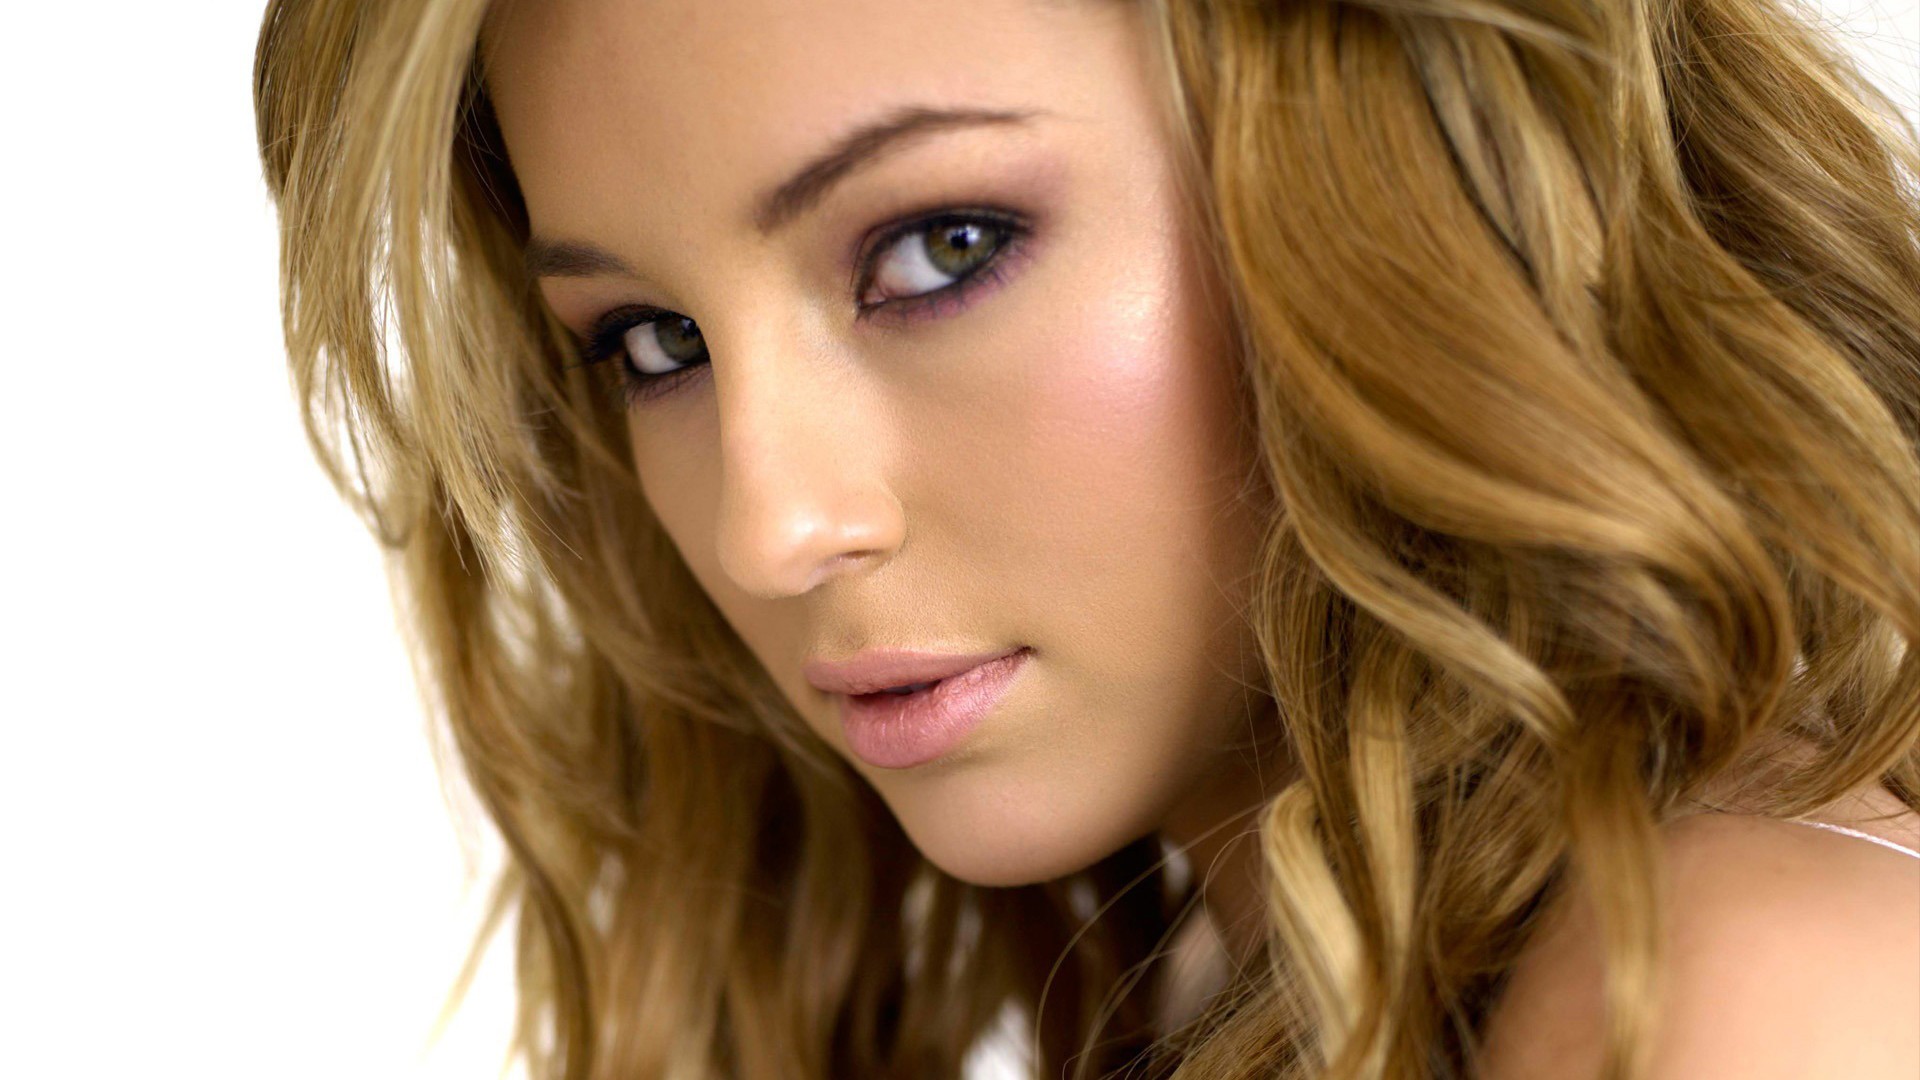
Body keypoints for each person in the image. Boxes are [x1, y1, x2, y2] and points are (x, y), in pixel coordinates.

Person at [250, 0, 1920, 1076]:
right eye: (654, 343)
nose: (772, 528)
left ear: (1402, 163)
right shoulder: (1245, 985)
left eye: (942, 246)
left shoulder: (1730, 999)